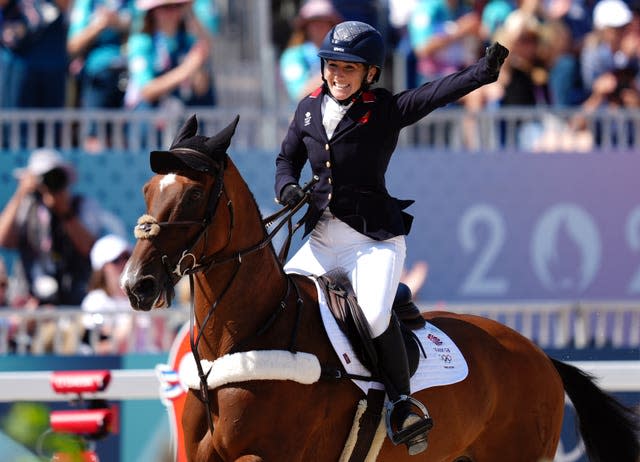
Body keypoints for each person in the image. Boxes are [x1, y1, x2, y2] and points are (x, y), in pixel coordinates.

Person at [274, 20, 508, 455]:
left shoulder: (383, 109)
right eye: (332, 66)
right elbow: (285, 160)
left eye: (349, 68)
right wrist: (287, 187)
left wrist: (482, 72)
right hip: (323, 239)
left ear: (370, 74)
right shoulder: (307, 108)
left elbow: (435, 93)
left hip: (372, 241)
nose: (338, 76)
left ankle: (403, 402)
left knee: (375, 315)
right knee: (283, 302)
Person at [0, 149, 105, 307]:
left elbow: (90, 248)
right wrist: (20, 194)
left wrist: (65, 212)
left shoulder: (82, 205)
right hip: (30, 300)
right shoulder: (26, 205)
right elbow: (4, 239)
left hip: (74, 300)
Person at [67, 0, 134, 152]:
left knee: (129, 138)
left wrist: (120, 23)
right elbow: (73, 45)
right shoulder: (87, 4)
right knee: (94, 137)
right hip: (98, 76)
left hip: (133, 78)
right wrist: (100, 25)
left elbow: (149, 28)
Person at [124, 0, 215, 111]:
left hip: (182, 118)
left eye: (177, 6)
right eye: (165, 7)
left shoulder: (188, 41)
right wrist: (186, 70)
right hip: (150, 121)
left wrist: (197, 69)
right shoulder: (141, 43)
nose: (172, 12)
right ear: (152, 12)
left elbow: (201, 88)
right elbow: (147, 90)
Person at [279, 0, 342, 103]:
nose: (319, 26)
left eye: (324, 21)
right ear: (305, 26)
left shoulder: (344, 54)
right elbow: (300, 94)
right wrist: (334, 69)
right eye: (314, 22)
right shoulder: (293, 56)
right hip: (306, 117)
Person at [81, 234, 133, 354]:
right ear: (102, 268)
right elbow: (98, 346)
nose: (124, 263)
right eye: (116, 260)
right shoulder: (95, 301)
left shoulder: (144, 299)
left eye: (127, 257)